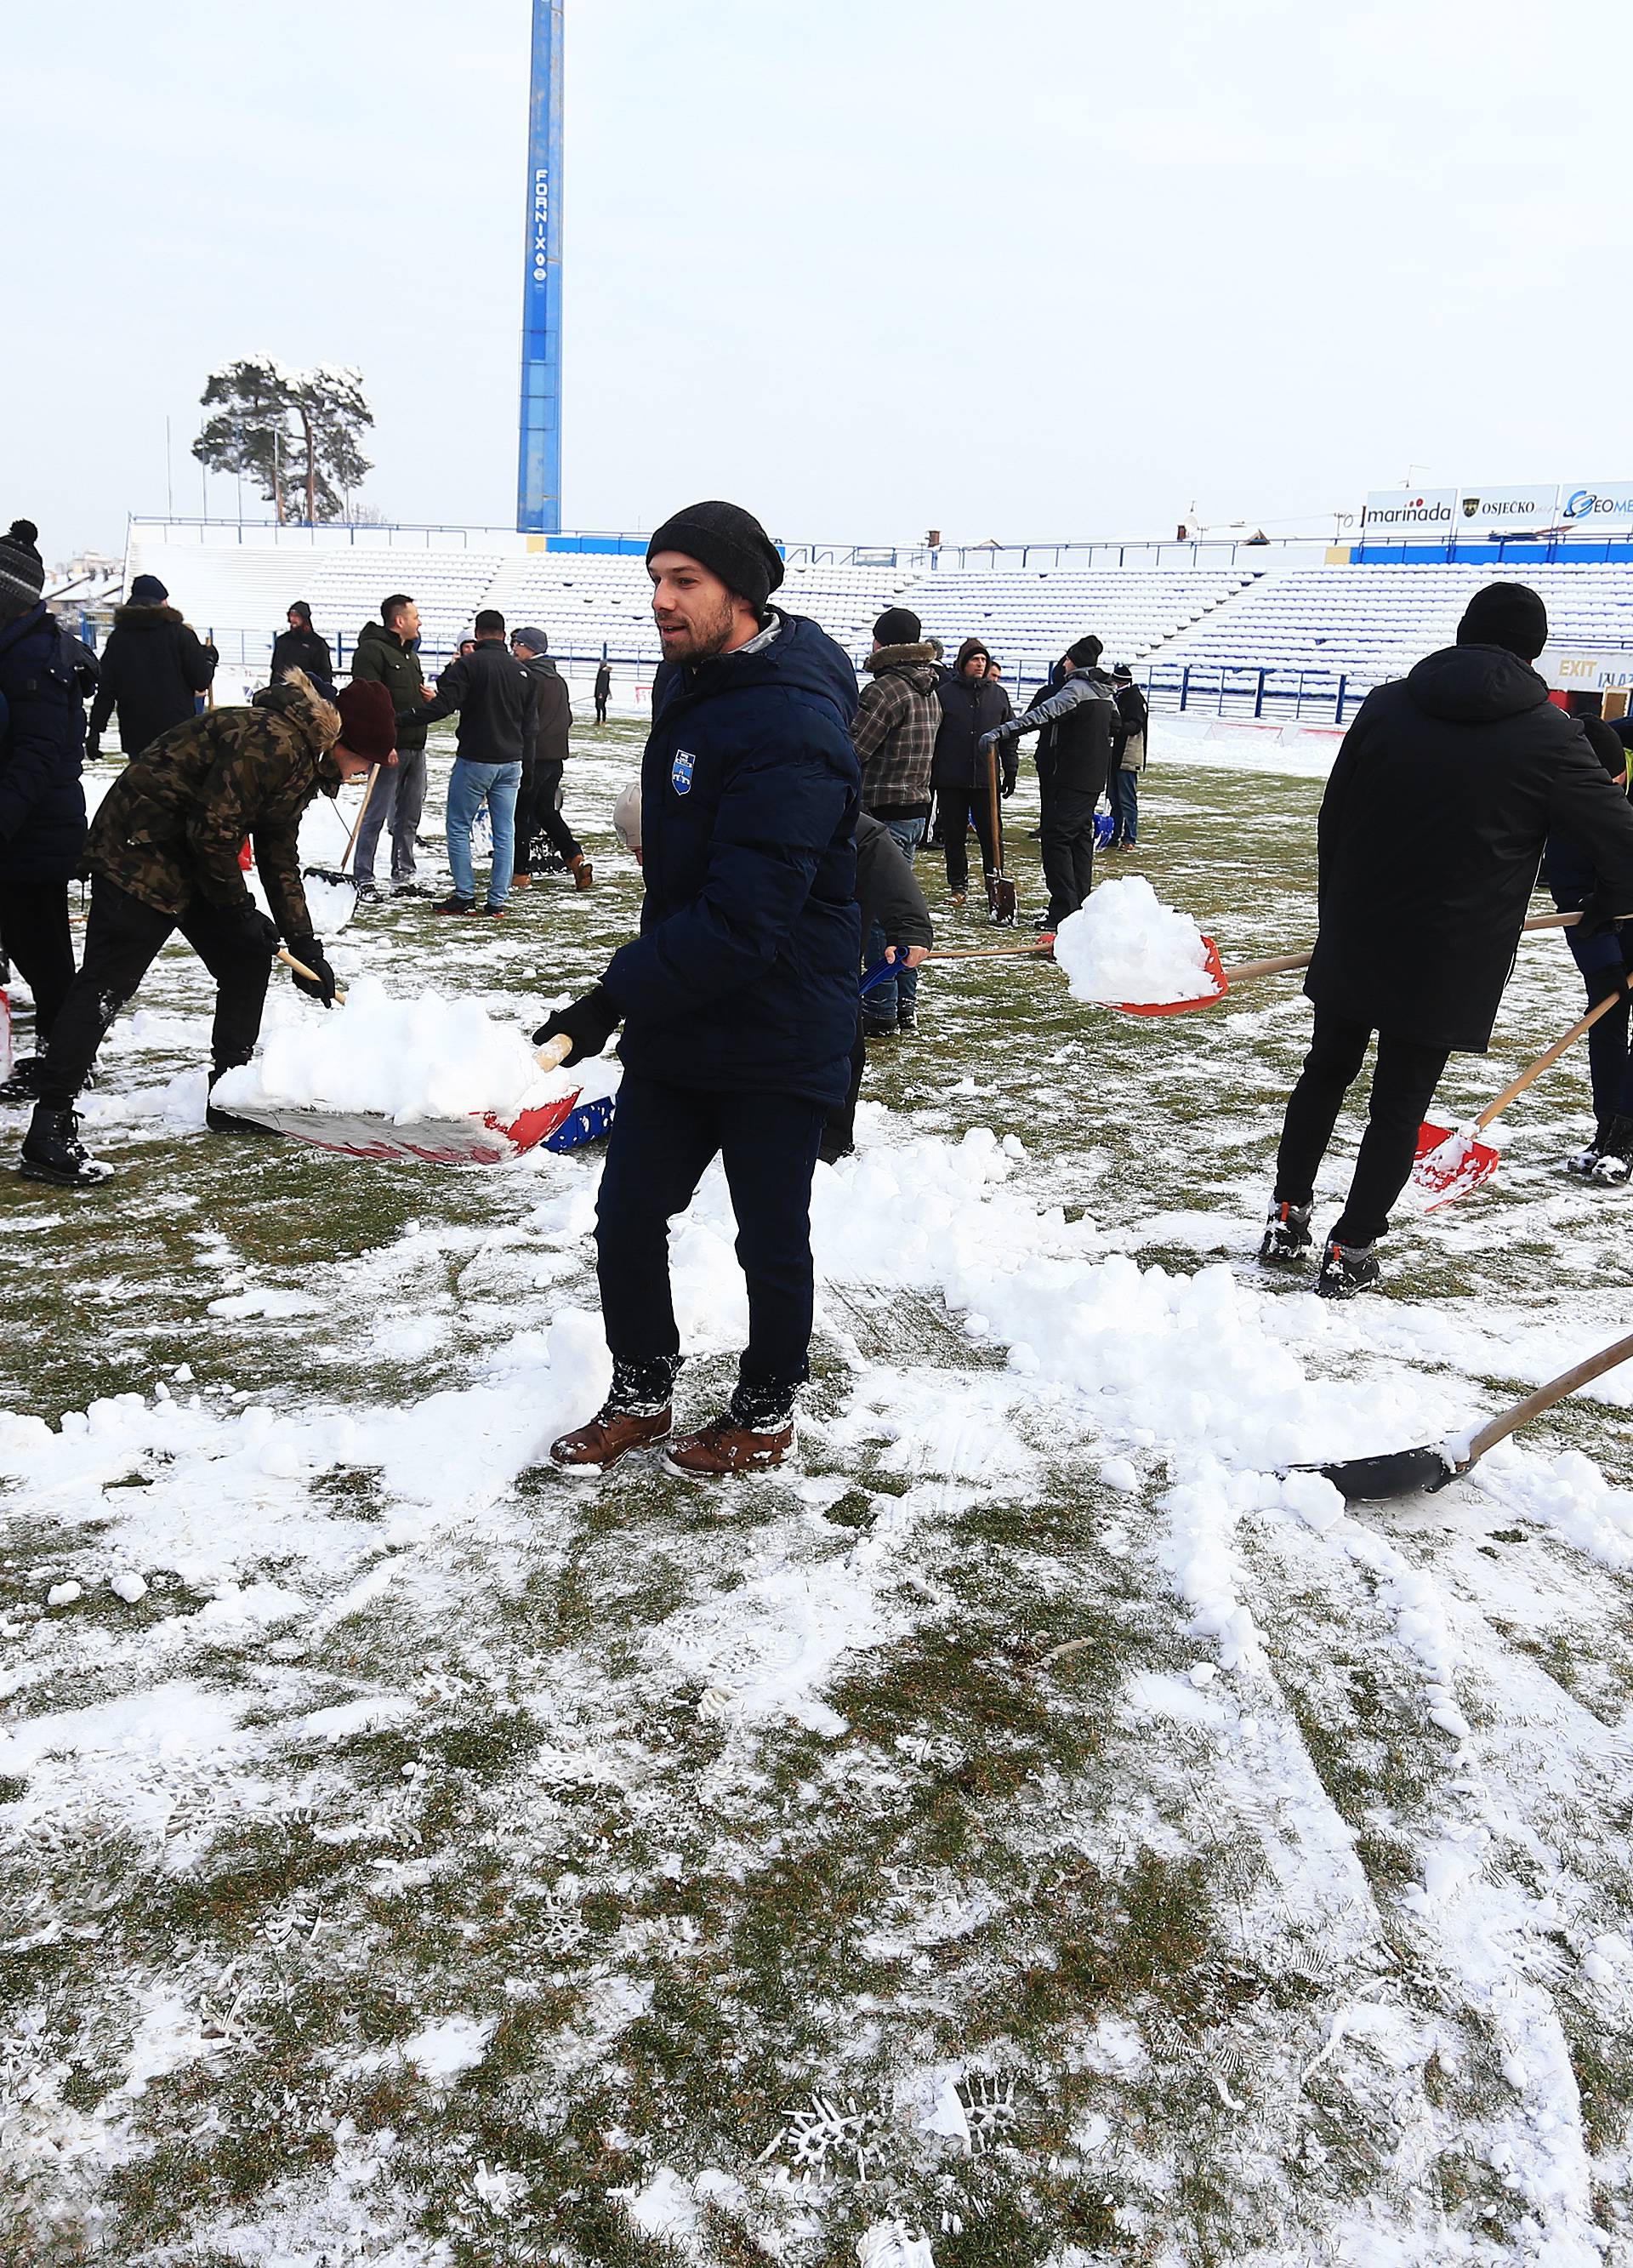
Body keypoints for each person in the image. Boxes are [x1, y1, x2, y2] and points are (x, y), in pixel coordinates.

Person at [543, 499, 859, 1479]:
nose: (660, 601)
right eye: (655, 579)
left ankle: (766, 1408)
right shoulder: (696, 683)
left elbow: (747, 914)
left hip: (779, 1018)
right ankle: (641, 1386)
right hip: (687, 1015)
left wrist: (609, 999)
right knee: (629, 1213)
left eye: (684, 582)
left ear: (743, 593)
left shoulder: (796, 721)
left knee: (770, 1235)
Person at [1260, 582, 1633, 1296]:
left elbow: (1332, 819)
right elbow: (1622, 841)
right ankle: (1351, 1246)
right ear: (1537, 650)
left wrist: (1333, 913)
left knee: (1325, 1071)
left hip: (1359, 928)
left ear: (1463, 633)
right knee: (1398, 1104)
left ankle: (1288, 1210)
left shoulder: (1387, 703)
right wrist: (1612, 904)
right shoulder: (1554, 736)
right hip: (1452, 953)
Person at [18, 674, 396, 1187]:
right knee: (105, 986)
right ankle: (49, 1130)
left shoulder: (305, 760)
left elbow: (278, 854)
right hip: (140, 850)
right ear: (346, 744)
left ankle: (229, 1096)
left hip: (190, 859)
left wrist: (306, 947)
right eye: (366, 761)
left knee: (247, 957)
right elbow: (212, 833)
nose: (363, 773)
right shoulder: (273, 742)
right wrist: (239, 911)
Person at [0, 520, 93, 1102]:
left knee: (46, 954)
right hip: (25, 829)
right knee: (39, 949)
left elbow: (34, 759)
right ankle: (61, 1055)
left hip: (36, 832)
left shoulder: (35, 660)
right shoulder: (19, 647)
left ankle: (69, 1061)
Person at [1544, 717, 1633, 1182]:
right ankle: (1605, 1129)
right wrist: (1602, 962)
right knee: (1606, 1007)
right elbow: (1571, 888)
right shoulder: (1567, 810)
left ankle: (1626, 1136)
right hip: (1603, 914)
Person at [983, 635, 1118, 930]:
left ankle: (1063, 912)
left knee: (1056, 839)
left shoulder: (1076, 691)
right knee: (1080, 839)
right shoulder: (1105, 692)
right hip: (1093, 778)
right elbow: (1116, 725)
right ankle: (1081, 906)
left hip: (1070, 777)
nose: (1064, 663)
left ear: (1074, 662)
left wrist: (1000, 733)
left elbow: (1038, 717)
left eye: (1067, 658)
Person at [406, 608, 533, 917]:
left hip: (476, 758)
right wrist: (525, 765)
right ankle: (497, 900)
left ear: (477, 634)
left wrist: (401, 719)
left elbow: (443, 707)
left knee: (459, 826)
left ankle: (464, 894)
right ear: (504, 635)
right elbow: (532, 726)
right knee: (505, 831)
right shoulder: (523, 673)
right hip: (511, 761)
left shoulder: (468, 666)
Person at [822, 814, 933, 1161]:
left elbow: (874, 846)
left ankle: (831, 1140)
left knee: (840, 1043)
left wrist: (911, 927)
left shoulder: (837, 811)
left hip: (830, 957)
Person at [851, 605, 939, 1035]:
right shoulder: (929, 689)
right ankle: (905, 1004)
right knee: (902, 909)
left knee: (880, 914)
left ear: (882, 643)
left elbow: (851, 752)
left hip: (880, 812)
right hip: (915, 809)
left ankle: (880, 1008)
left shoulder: (885, 690)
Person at [348, 594, 432, 897]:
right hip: (388, 749)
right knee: (376, 813)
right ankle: (364, 877)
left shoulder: (410, 655)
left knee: (409, 816)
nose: (419, 622)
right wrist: (381, 744)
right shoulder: (372, 652)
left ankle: (404, 875)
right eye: (415, 617)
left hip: (415, 746)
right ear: (399, 621)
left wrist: (425, 698)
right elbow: (368, 701)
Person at [86, 573, 217, 761]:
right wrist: (209, 659)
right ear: (161, 602)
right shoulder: (180, 634)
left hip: (136, 733)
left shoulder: (119, 638)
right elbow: (201, 680)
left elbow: (107, 690)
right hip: (178, 732)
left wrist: (96, 730)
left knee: (142, 786)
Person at [931, 639, 1013, 906]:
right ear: (963, 663)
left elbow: (1009, 735)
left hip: (985, 778)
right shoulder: (944, 693)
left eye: (983, 660)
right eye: (974, 660)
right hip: (951, 778)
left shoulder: (998, 695)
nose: (979, 664)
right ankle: (958, 885)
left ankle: (995, 884)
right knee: (954, 836)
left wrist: (1010, 769)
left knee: (991, 835)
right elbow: (934, 735)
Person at [510, 628, 592, 891]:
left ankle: (520, 872)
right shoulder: (557, 679)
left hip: (532, 757)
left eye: (519, 644)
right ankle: (574, 857)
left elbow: (521, 718)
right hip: (555, 757)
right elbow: (566, 718)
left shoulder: (528, 677)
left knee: (520, 815)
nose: (514, 648)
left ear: (531, 648)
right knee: (546, 812)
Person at [1107, 664, 1147, 850]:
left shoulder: (1133, 699)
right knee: (1114, 799)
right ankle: (1114, 835)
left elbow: (1135, 725)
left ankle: (1129, 837)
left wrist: (1116, 726)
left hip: (1127, 755)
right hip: (1115, 756)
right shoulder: (1121, 697)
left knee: (1127, 800)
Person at [269, 601, 334, 700]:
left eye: (296, 616)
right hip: (282, 693)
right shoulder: (282, 641)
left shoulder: (317, 644)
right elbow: (276, 668)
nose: (293, 619)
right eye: (291, 616)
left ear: (304, 618)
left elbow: (324, 673)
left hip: (307, 695)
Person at [594, 658, 612, 726]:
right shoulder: (600, 671)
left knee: (602, 706)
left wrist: (601, 693)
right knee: (597, 706)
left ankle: (603, 720)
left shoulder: (605, 673)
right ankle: (598, 720)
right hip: (598, 692)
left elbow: (604, 684)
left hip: (602, 692)